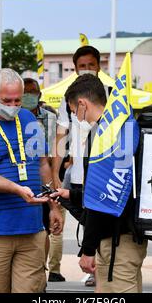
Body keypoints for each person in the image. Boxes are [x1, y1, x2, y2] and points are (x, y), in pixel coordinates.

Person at [0, 68, 63, 293]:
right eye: (7, 100)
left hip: (31, 231)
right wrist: (17, 189)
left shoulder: (28, 118)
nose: (14, 105)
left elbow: (43, 164)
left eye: (18, 100)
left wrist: (53, 206)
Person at [51, 74, 148, 293]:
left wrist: (87, 249)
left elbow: (101, 201)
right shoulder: (124, 127)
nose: (76, 117)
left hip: (116, 244)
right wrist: (71, 195)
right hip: (130, 237)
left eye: (74, 111)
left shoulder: (104, 137)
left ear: (83, 104)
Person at [51, 45, 109, 286]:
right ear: (74, 69)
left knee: (101, 213)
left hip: (103, 170)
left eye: (91, 65)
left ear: (99, 66)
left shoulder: (111, 94)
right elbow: (60, 136)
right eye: (82, 66)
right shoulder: (69, 99)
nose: (87, 69)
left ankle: (101, 266)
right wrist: (55, 172)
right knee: (88, 217)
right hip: (78, 172)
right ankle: (93, 265)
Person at [22, 77, 67, 282]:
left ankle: (45, 268)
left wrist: (53, 179)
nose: (29, 96)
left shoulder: (49, 118)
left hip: (44, 176)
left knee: (45, 228)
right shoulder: (14, 117)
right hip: (22, 180)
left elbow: (53, 151)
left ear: (39, 95)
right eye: (25, 92)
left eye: (33, 92)